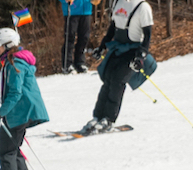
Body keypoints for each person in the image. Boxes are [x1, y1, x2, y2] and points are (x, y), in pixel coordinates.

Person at [0, 27, 49, 170]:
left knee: (6, 153)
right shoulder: (14, 61)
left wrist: (1, 112)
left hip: (20, 114)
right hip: (21, 112)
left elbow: (16, 92)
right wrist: (1, 95)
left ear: (7, 44)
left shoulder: (14, 63)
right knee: (14, 152)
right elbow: (18, 88)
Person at [84, 0, 153, 134]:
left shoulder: (143, 6)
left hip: (133, 51)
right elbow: (112, 28)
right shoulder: (118, 3)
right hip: (118, 48)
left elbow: (147, 35)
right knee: (108, 79)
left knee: (118, 81)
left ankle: (108, 119)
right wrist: (102, 46)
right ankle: (97, 117)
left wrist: (141, 56)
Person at [60, 0, 92, 74]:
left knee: (84, 37)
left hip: (86, 10)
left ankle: (80, 62)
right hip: (72, 10)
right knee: (70, 37)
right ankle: (67, 65)